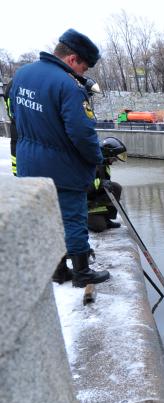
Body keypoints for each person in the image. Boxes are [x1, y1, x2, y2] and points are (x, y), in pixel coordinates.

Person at [10, 28, 109, 287]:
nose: (83, 74)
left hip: (28, 161)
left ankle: (58, 271)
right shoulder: (68, 85)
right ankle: (82, 273)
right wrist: (96, 159)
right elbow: (82, 133)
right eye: (84, 68)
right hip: (61, 167)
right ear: (73, 59)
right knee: (72, 217)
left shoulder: (22, 75)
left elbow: (15, 117)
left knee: (46, 218)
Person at [2, 81, 18, 176]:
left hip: (15, 125)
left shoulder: (11, 84)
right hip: (18, 126)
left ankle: (16, 174)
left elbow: (10, 111)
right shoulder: (13, 85)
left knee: (15, 151)